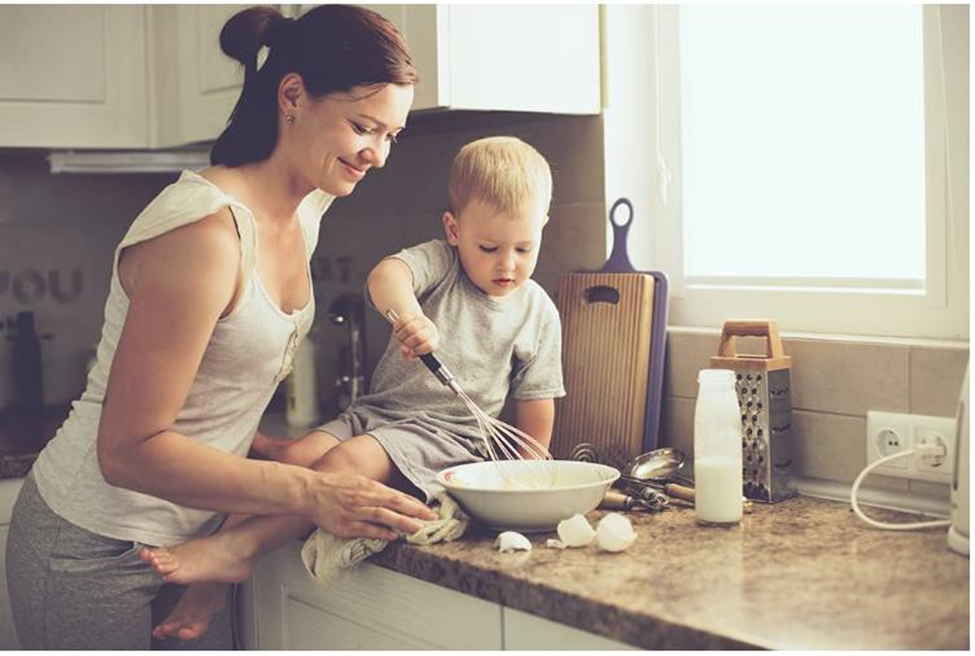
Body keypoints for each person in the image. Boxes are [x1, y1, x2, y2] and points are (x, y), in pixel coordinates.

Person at [3, 5, 438, 650]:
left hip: (199, 539)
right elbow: (126, 448)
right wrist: (312, 491)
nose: (377, 154)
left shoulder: (308, 203)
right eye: (362, 127)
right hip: (91, 547)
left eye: (392, 134)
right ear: (292, 95)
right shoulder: (205, 232)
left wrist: (266, 448)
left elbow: (210, 382)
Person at [138, 135, 566, 633]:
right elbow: (386, 276)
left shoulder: (537, 312)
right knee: (294, 464)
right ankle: (208, 589)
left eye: (524, 247)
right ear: (453, 230)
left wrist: (524, 489)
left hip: (448, 437)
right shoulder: (440, 265)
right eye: (489, 247)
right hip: (378, 414)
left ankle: (239, 548)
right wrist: (408, 315)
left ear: (542, 230)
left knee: (342, 467)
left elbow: (537, 425)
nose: (507, 264)